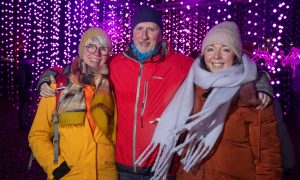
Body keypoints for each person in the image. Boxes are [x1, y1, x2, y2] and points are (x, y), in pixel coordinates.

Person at [38, 7, 272, 179]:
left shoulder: (181, 64)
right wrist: (49, 74)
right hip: (119, 168)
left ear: (161, 33)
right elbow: (81, 66)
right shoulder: (115, 64)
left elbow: (220, 68)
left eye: (151, 29)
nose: (144, 35)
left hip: (161, 168)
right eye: (139, 29)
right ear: (132, 32)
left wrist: (260, 82)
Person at [145, 21, 281, 179]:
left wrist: (261, 81)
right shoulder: (192, 87)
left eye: (225, 49)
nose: (216, 56)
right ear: (204, 54)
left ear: (236, 55)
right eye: (210, 49)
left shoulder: (252, 96)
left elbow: (269, 156)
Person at [28, 27, 118, 180]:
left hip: (106, 174)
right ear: (82, 49)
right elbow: (37, 135)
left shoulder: (110, 87)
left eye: (103, 48)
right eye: (91, 46)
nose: (96, 53)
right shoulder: (58, 86)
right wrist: (56, 167)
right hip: (70, 174)